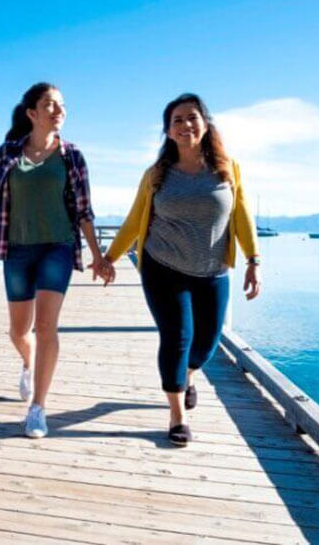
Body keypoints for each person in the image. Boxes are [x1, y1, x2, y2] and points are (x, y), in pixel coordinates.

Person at [0, 82, 113, 438]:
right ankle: (27, 361)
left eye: (62, 105)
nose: (58, 110)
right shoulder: (7, 153)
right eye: (50, 105)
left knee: (46, 328)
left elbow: (84, 211)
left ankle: (38, 408)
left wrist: (98, 256)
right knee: (19, 331)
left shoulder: (72, 156)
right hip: (17, 249)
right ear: (32, 113)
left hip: (58, 247)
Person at [103, 93, 262, 446]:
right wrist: (109, 258)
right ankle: (178, 415)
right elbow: (132, 222)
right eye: (177, 120)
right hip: (164, 267)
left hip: (213, 270)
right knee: (177, 338)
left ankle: (186, 377)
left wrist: (254, 261)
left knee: (206, 344)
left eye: (192, 117)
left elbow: (242, 216)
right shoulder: (157, 175)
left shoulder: (227, 169)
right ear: (168, 132)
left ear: (205, 124)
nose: (185, 124)